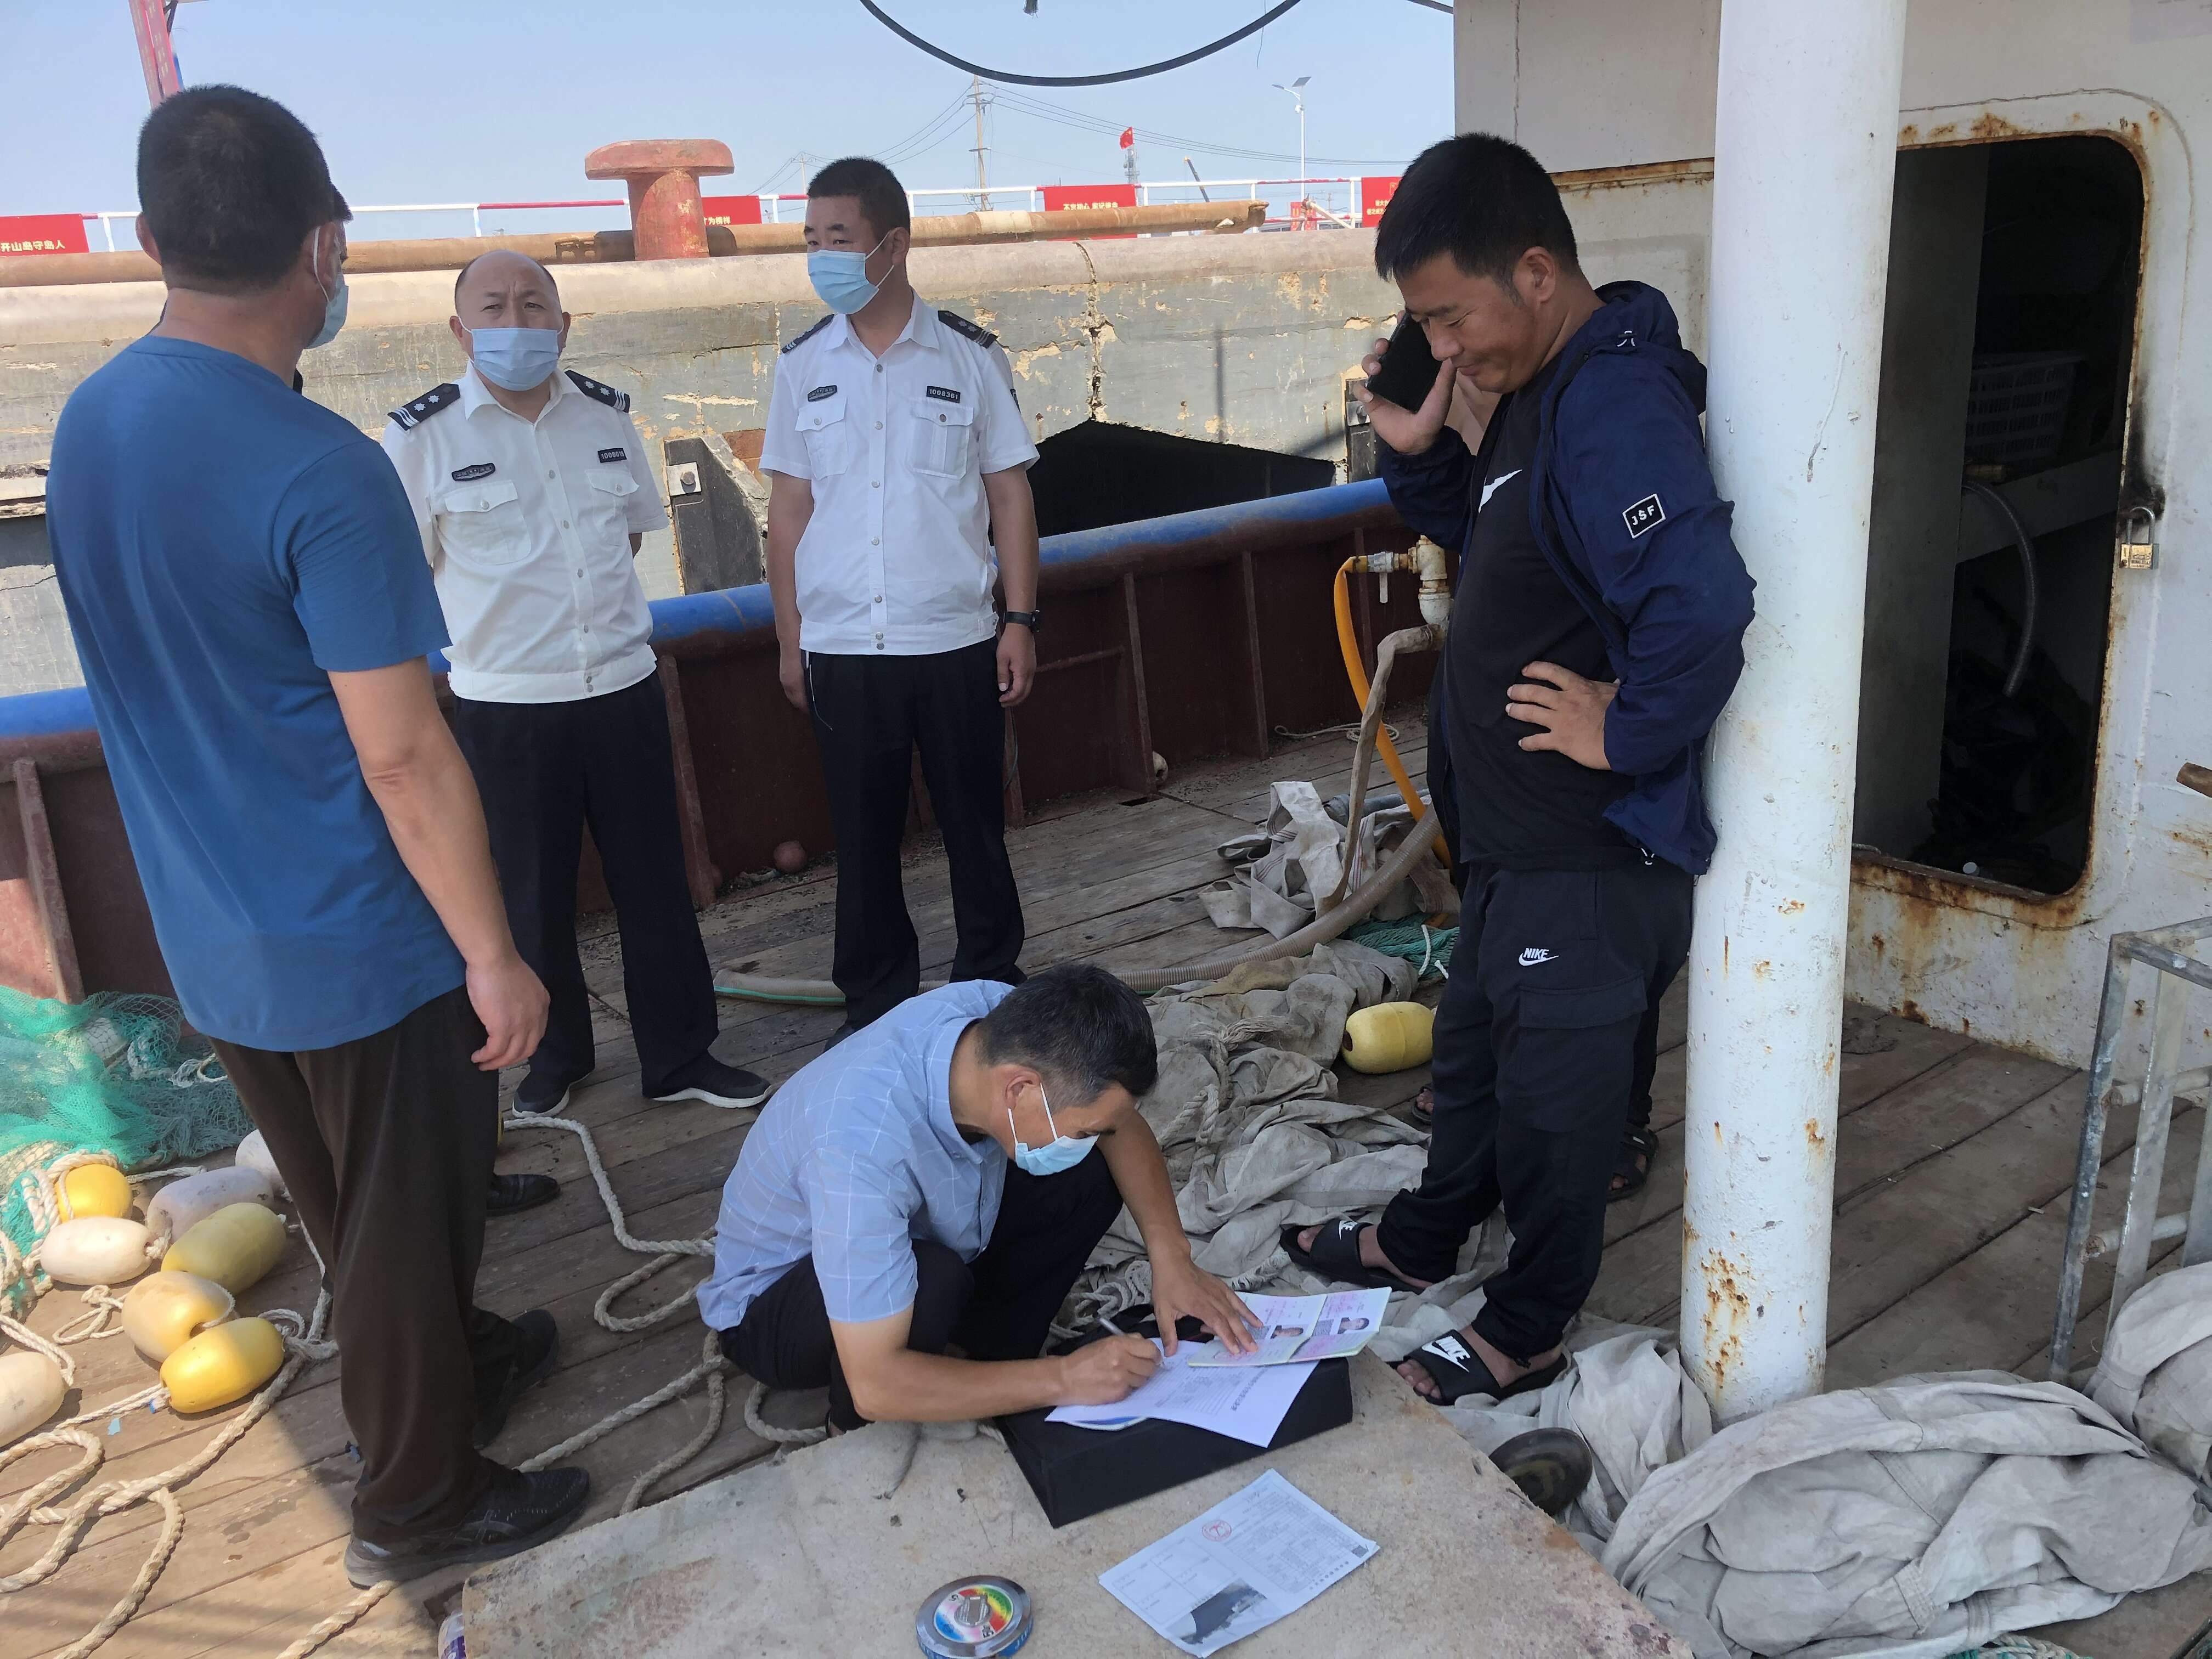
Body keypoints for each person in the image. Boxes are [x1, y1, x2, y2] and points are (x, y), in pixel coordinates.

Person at [46, 87, 589, 1585]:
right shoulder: (321, 469)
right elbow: (403, 754)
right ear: (325, 246)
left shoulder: (91, 423)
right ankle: (420, 1499)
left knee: (355, 1209)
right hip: (359, 937)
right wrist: (494, 955)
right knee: (410, 1214)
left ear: (151, 237)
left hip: (214, 927)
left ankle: (459, 1360)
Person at [1286, 134, 1754, 1406]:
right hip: (1510, 845)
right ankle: (1422, 1240)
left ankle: (1527, 1326)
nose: (1439, 346)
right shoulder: (1539, 397)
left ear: (1537, 273)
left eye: (1450, 317)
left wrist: (1629, 727)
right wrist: (1416, 443)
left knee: (1556, 1114)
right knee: (1475, 1068)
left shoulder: (1611, 403)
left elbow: (1704, 603)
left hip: (1583, 851)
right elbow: (1492, 539)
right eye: (1421, 325)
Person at [381, 251, 768, 1121]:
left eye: (534, 305)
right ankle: (554, 1060)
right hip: (507, 704)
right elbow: (408, 571)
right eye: (494, 307)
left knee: (657, 885)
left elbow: (627, 537)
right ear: (460, 330)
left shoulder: (604, 415)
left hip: (622, 686)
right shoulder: (421, 437)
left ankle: (679, 1055)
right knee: (531, 896)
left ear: (562, 325)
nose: (516, 321)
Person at [696, 964, 1259, 1430]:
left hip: (921, 1230)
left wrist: (1172, 1258)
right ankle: (854, 1432)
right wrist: (1065, 1379)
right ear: (1019, 1089)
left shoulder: (998, 1018)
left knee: (1089, 1173)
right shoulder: (859, 1147)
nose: (1091, 1136)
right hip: (778, 1308)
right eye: (1083, 1128)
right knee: (931, 1280)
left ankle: (984, 1361)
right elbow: (875, 1384)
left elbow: (1119, 1125)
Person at [763, 156, 1042, 1043]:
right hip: (844, 646)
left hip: (956, 638)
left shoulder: (969, 355)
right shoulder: (801, 365)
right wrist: (789, 640)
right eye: (811, 239)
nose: (822, 257)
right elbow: (787, 511)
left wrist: (1020, 620)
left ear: (894, 244)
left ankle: (991, 990)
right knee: (863, 844)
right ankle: (874, 1010)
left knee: (975, 831)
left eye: (838, 238)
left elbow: (1009, 495)